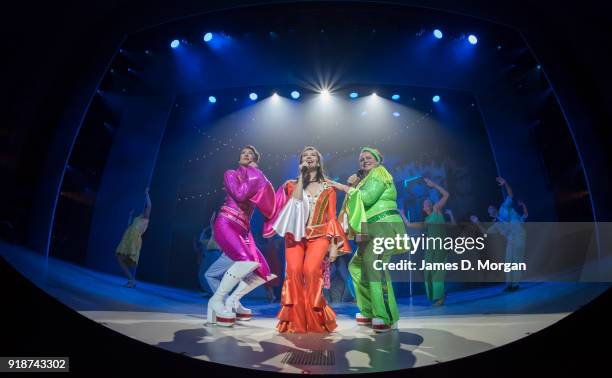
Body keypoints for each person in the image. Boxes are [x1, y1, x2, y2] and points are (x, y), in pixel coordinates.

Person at [264, 146, 350, 333]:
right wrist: (301, 178)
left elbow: (332, 217)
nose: (309, 158)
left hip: (319, 236)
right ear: (301, 162)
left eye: (313, 156)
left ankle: (315, 317)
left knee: (311, 271)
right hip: (295, 236)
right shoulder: (291, 185)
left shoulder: (329, 188)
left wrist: (334, 246)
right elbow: (294, 204)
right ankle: (296, 319)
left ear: (318, 162)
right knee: (294, 271)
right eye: (305, 156)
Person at [330, 147, 407, 333]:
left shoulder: (379, 173)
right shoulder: (362, 181)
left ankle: (387, 316)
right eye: (361, 158)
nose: (364, 160)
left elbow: (367, 198)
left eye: (368, 157)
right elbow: (353, 207)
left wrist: (343, 187)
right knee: (356, 267)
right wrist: (353, 186)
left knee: (375, 265)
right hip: (368, 229)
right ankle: (369, 310)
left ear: (378, 160)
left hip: (384, 225)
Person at [207, 146, 277, 327]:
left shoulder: (257, 179)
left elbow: (268, 205)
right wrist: (253, 173)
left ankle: (233, 301)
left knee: (263, 271)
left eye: (250, 154)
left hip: (244, 230)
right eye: (243, 153)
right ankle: (217, 300)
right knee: (245, 260)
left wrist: (255, 174)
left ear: (255, 161)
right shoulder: (231, 174)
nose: (246, 155)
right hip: (227, 222)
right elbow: (239, 194)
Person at [470, 177, 527, 292]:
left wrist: (505, 184)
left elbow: (510, 195)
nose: (490, 209)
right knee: (508, 262)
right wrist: (477, 223)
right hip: (511, 240)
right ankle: (509, 284)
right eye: (488, 209)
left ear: (495, 208)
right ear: (490, 214)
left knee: (516, 261)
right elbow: (485, 232)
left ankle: (515, 284)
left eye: (491, 207)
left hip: (519, 234)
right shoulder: (496, 225)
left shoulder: (504, 208)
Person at [400, 178, 450, 306]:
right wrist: (402, 214)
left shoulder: (437, 210)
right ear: (423, 208)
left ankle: (440, 297)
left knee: (437, 271)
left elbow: (446, 195)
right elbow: (409, 224)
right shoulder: (426, 220)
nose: (428, 203)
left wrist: (434, 185)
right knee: (428, 272)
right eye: (425, 203)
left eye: (429, 202)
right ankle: (438, 294)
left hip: (440, 245)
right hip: (430, 248)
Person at [115, 187, 151, 288]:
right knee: (120, 258)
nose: (145, 210)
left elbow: (149, 206)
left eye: (146, 210)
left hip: (133, 242)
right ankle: (131, 280)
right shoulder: (138, 218)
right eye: (144, 210)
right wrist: (130, 216)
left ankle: (131, 280)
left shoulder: (145, 219)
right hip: (127, 240)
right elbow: (129, 226)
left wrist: (147, 194)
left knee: (122, 259)